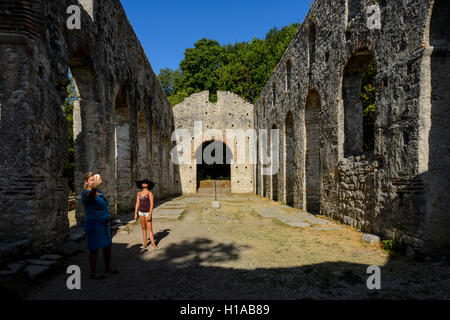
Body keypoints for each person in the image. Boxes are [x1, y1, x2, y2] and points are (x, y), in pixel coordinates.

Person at [81, 172, 118, 279]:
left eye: (95, 179)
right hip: (94, 224)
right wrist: (94, 187)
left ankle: (108, 267)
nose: (94, 181)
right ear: (86, 182)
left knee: (108, 246)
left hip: (104, 224)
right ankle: (93, 272)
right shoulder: (86, 193)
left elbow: (103, 205)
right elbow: (90, 198)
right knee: (94, 249)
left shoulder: (99, 191)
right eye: (91, 180)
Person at [134, 178, 158, 250]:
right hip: (141, 212)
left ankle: (153, 244)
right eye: (143, 182)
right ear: (141, 184)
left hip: (147, 212)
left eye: (145, 182)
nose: (144, 183)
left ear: (148, 185)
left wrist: (150, 214)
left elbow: (152, 205)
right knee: (143, 228)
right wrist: (135, 213)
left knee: (150, 229)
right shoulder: (139, 193)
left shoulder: (150, 194)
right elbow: (137, 203)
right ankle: (145, 244)